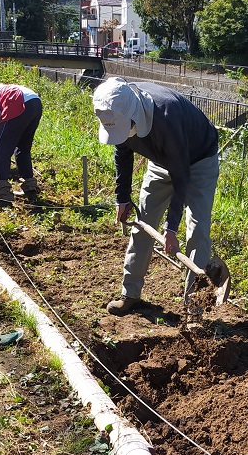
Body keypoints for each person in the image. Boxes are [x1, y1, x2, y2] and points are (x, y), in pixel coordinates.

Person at [92, 76, 219, 315]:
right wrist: (122, 197)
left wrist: (171, 229)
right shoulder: (117, 108)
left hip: (197, 160)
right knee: (142, 224)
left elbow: (182, 177)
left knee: (197, 231)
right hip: (161, 161)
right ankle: (130, 294)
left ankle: (195, 308)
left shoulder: (166, 117)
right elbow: (123, 153)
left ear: (133, 116)